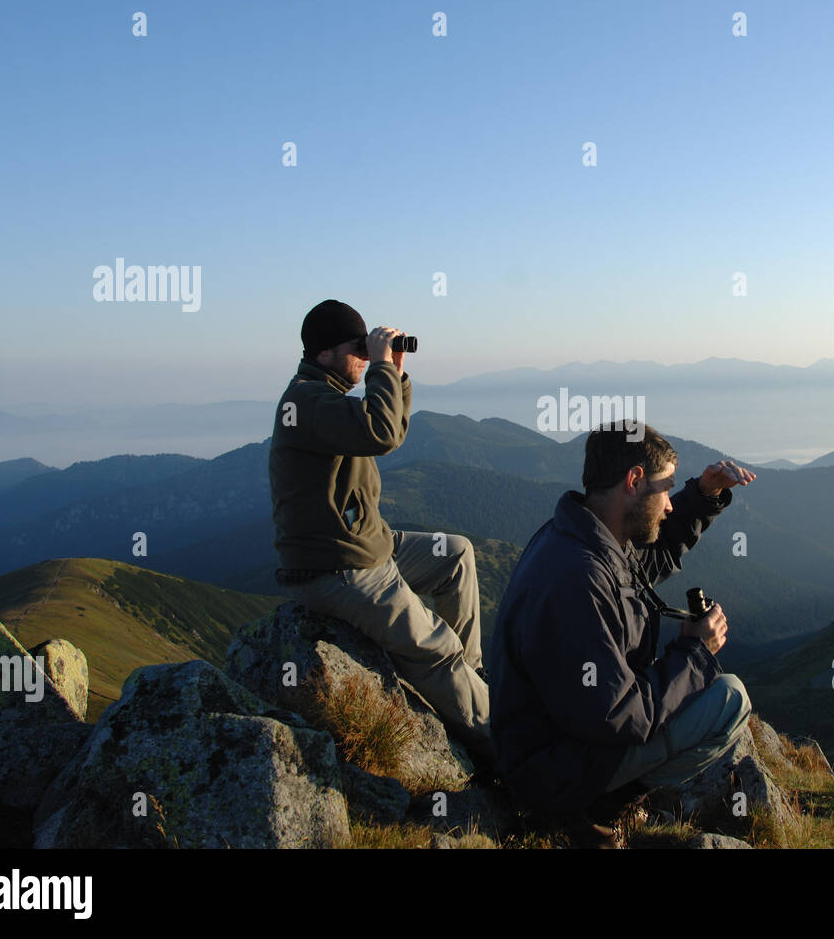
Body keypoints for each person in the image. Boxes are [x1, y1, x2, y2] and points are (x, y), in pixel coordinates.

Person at [489, 421, 757, 846]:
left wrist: (702, 496)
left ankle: (589, 807)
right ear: (634, 481)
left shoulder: (588, 536)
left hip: (552, 741)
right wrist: (693, 652)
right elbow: (620, 717)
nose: (669, 505)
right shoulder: (577, 578)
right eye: (666, 490)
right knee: (729, 701)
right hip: (547, 771)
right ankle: (588, 814)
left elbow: (648, 561)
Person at [268, 298, 492, 771]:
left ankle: (470, 681)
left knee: (456, 555)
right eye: (358, 348)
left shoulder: (320, 394)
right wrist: (383, 370)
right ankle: (504, 747)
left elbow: (388, 428)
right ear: (325, 352)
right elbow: (381, 433)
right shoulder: (306, 401)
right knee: (435, 646)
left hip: (367, 544)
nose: (366, 358)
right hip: (339, 565)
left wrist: (396, 372)